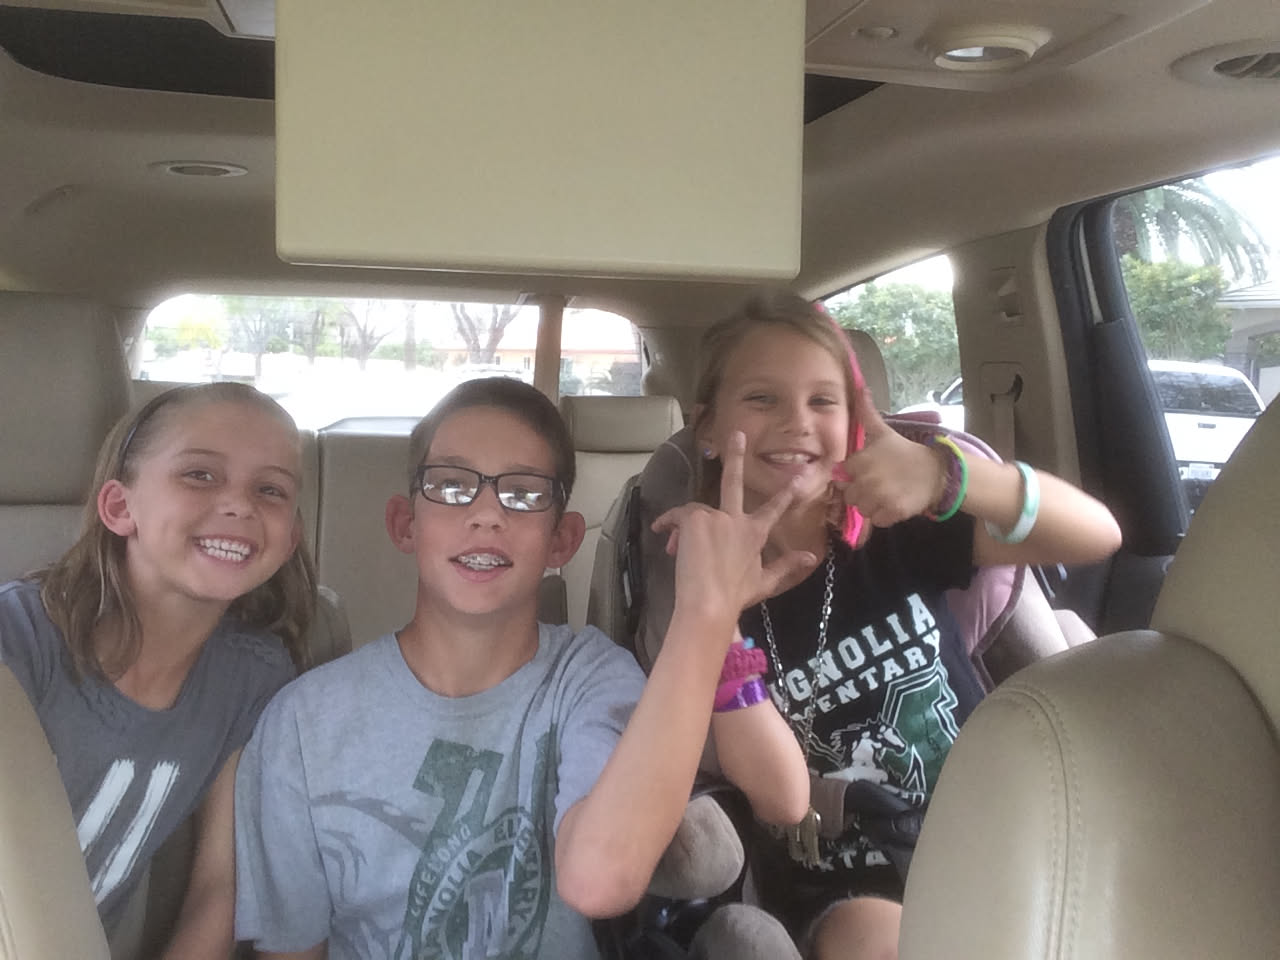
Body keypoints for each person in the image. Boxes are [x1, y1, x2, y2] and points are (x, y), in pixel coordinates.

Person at [233, 376, 812, 960]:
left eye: (525, 494)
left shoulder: (592, 680)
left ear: (563, 539)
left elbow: (601, 879)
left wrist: (705, 614)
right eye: (451, 486)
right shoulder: (302, 723)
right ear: (405, 523)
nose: (486, 514)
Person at [670, 291, 1123, 960]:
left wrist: (947, 476)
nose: (797, 422)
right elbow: (779, 800)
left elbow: (1098, 534)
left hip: (997, 830)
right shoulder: (707, 593)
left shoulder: (899, 535)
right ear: (707, 427)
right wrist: (716, 617)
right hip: (843, 878)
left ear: (853, 423)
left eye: (824, 401)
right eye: (762, 399)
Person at [0, 382, 314, 958]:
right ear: (120, 508)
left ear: (290, 538)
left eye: (270, 490)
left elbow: (220, 888)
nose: (240, 504)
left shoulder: (254, 679)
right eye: (200, 475)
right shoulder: (18, 640)